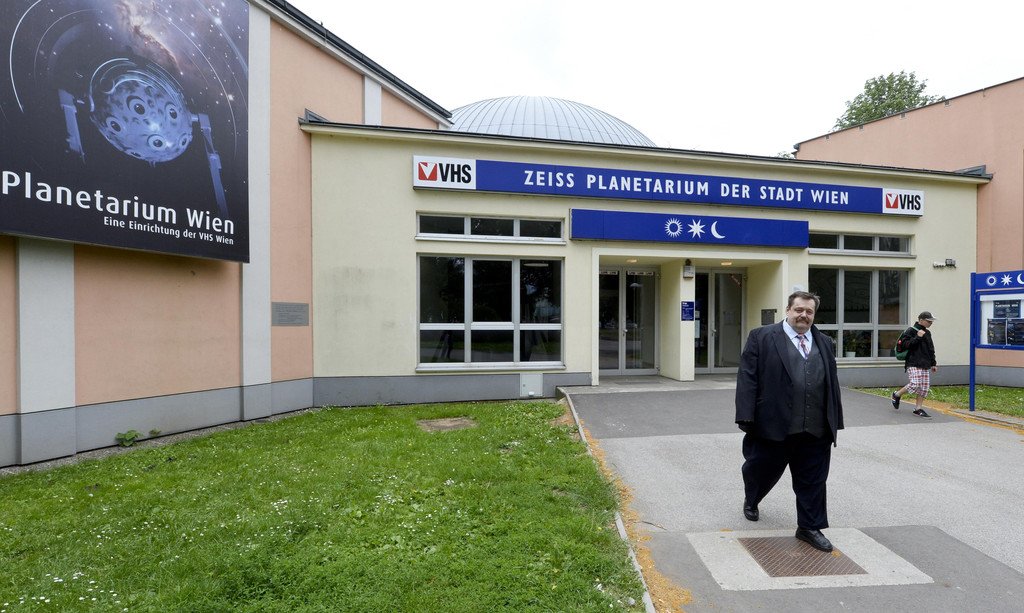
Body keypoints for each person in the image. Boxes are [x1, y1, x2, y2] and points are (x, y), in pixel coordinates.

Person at [735, 291, 844, 552]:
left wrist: (834, 420)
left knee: (813, 480)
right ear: (788, 310)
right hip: (773, 424)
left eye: (809, 311)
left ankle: (809, 527)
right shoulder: (761, 337)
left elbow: (831, 383)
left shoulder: (824, 342)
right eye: (799, 310)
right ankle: (752, 497)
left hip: (816, 427)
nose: (803, 315)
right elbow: (747, 377)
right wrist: (746, 416)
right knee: (761, 469)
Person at [891, 311, 938, 418]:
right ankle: (897, 394)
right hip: (913, 362)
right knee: (915, 384)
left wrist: (933, 363)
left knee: (924, 387)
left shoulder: (928, 333)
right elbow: (905, 345)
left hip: (925, 364)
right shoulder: (910, 330)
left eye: (931, 321)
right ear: (921, 320)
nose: (930, 323)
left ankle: (918, 409)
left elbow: (931, 349)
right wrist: (918, 337)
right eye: (928, 321)